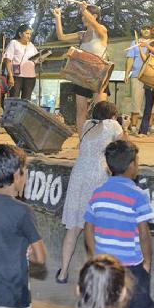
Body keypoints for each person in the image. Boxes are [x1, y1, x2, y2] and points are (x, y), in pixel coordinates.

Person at [57, 101, 126, 284]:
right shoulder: (113, 125)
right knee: (96, 229)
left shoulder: (87, 124)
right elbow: (124, 146)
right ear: (112, 115)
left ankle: (63, 272)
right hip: (98, 174)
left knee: (73, 228)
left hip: (79, 173)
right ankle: (96, 276)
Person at [84, 139, 154, 308]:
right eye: (137, 162)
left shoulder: (98, 193)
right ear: (132, 165)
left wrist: (95, 256)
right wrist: (147, 261)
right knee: (139, 307)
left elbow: (88, 228)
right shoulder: (138, 196)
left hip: (105, 265)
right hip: (131, 265)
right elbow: (144, 233)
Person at [0, 144, 47, 308]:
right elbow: (40, 257)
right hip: (13, 295)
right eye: (25, 170)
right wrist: (30, 252)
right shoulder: (23, 211)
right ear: (17, 175)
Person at [53, 2, 110, 133]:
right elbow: (61, 37)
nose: (83, 18)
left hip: (98, 74)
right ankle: (82, 139)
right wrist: (57, 17)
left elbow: (95, 25)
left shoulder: (102, 30)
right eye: (82, 16)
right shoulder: (82, 34)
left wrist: (84, 10)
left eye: (86, 16)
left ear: (94, 16)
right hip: (82, 74)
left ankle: (102, 138)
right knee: (81, 110)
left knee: (101, 109)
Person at [125, 25, 152, 133]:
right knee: (136, 101)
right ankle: (134, 126)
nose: (146, 31)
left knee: (151, 103)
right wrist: (127, 73)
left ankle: (150, 126)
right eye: (144, 29)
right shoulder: (135, 42)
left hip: (151, 76)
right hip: (137, 75)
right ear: (141, 31)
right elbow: (130, 58)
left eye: (148, 29)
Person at [3, 24, 39, 101]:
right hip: (16, 76)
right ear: (20, 34)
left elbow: (36, 58)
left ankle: (23, 113)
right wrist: (11, 76)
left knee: (26, 100)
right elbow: (7, 60)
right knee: (14, 99)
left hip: (30, 77)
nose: (29, 36)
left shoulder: (31, 45)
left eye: (30, 34)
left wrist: (41, 59)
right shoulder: (14, 43)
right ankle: (13, 113)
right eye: (27, 33)